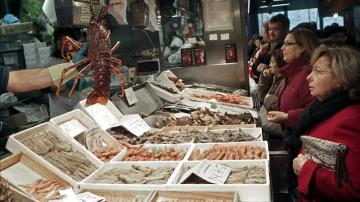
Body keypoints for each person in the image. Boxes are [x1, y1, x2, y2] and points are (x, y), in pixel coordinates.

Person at [291, 46, 360, 201]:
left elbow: (354, 190)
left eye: (318, 71)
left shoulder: (352, 120)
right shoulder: (324, 109)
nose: (309, 77)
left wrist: (306, 169)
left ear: (343, 78)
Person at [267, 28, 319, 129]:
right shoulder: (293, 72)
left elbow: (316, 110)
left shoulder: (307, 74)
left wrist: (288, 117)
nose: (282, 48)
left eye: (288, 44)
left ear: (302, 47)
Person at [258, 49, 286, 137]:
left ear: (281, 63)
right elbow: (262, 97)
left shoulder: (285, 80)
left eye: (272, 62)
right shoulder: (275, 77)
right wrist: (264, 78)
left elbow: (277, 108)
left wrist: (269, 99)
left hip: (278, 128)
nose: (269, 65)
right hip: (266, 121)